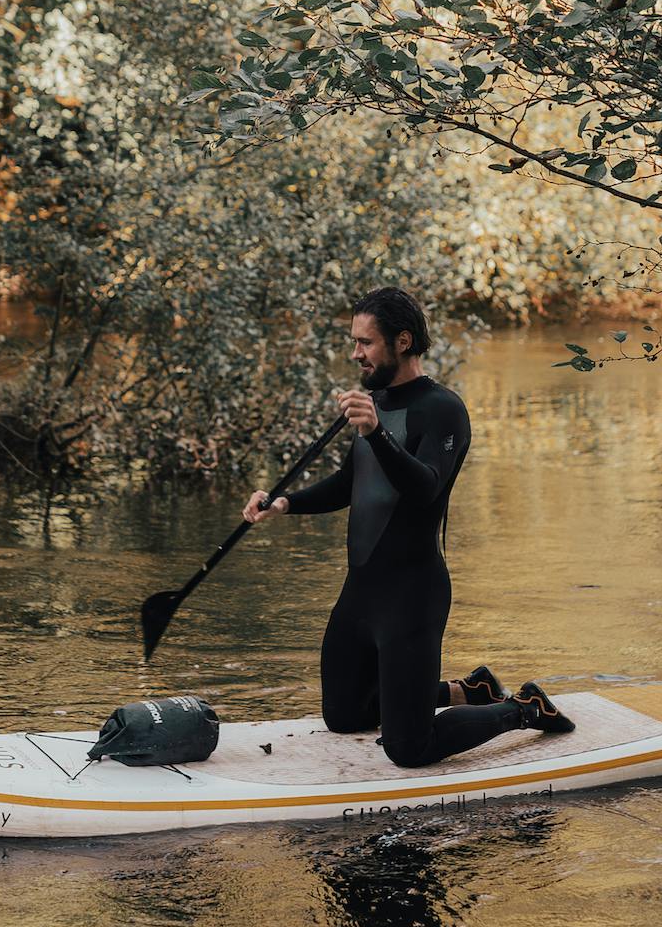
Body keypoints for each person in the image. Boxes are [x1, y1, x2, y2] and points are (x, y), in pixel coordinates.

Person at [242, 285, 574, 767]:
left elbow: (425, 488)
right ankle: (470, 690)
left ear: (402, 341)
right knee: (344, 715)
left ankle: (524, 708)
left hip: (412, 596)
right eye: (354, 342)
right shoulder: (375, 401)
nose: (356, 353)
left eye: (365, 342)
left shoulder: (442, 409)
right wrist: (284, 503)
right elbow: (351, 482)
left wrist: (376, 432)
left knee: (408, 749)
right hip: (361, 592)